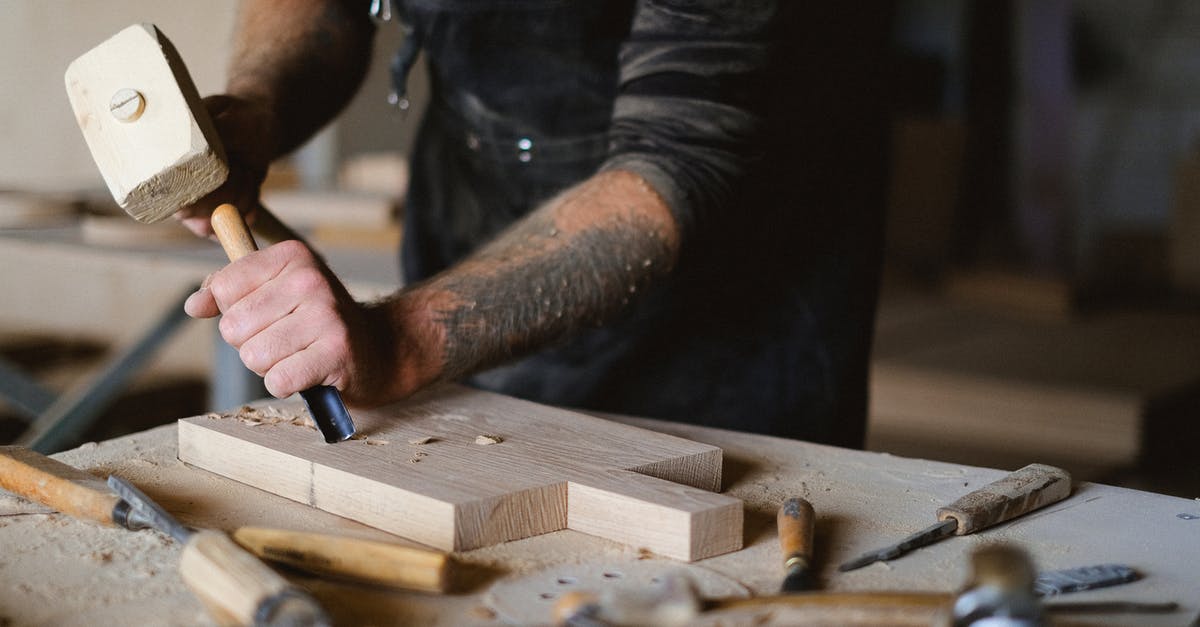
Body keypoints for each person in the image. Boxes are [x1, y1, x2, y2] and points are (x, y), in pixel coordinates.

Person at [180, 0, 894, 448]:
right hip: (473, 216)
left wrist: (399, 342)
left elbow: (673, 163)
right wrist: (260, 103)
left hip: (736, 304)